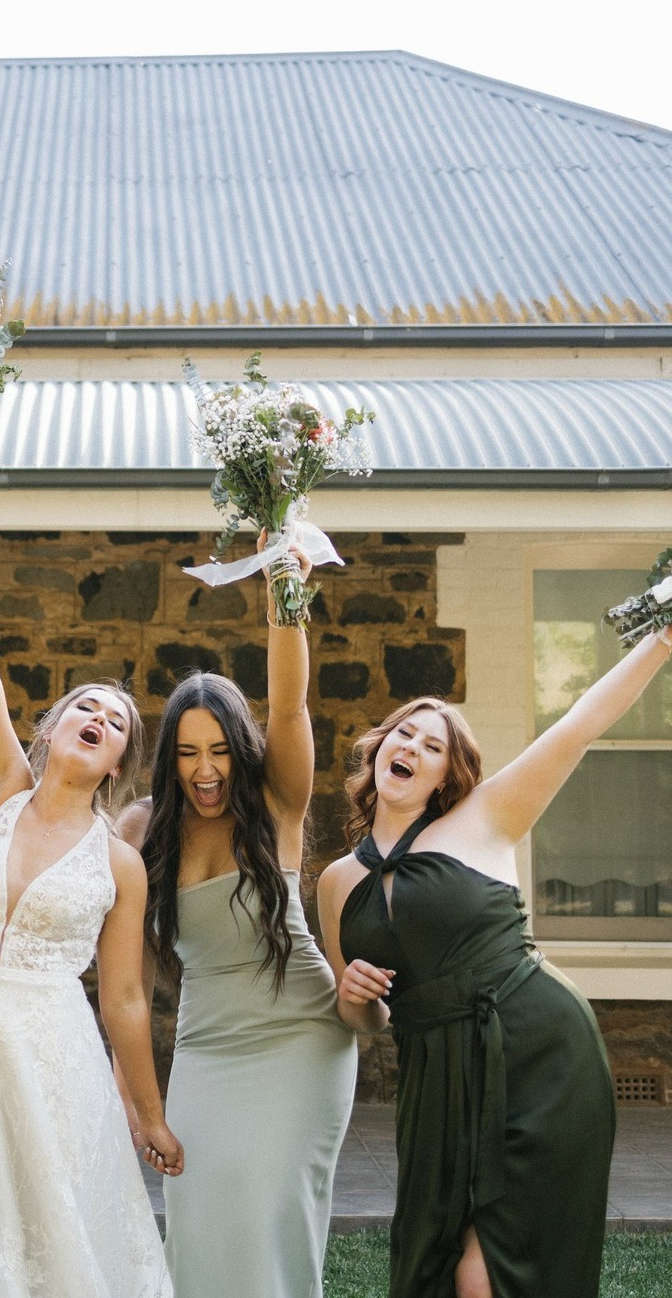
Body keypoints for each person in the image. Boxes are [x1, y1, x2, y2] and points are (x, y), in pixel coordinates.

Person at [319, 625, 672, 1298]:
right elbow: (360, 1019)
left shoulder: (487, 816)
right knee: (437, 1265)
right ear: (378, 747)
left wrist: (660, 638)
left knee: (487, 1273)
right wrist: (354, 991)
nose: (413, 747)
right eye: (405, 734)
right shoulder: (336, 881)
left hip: (538, 1050)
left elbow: (578, 725)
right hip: (436, 1081)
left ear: (446, 775)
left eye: (433, 746)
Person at [0, 481, 179, 1298]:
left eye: (115, 719)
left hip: (53, 1053)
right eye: (83, 705)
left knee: (51, 1236)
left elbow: (123, 998)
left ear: (118, 760)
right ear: (49, 731)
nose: (98, 716)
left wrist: (147, 1114)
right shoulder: (3, 788)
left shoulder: (117, 862)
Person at [121, 544, 356, 1298]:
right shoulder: (141, 830)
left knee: (268, 1213)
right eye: (186, 752)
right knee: (198, 1215)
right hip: (206, 1048)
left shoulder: (275, 802)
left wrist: (283, 590)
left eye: (219, 748)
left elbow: (289, 705)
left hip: (301, 1036)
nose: (205, 769)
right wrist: (143, 1105)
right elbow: (123, 981)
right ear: (168, 758)